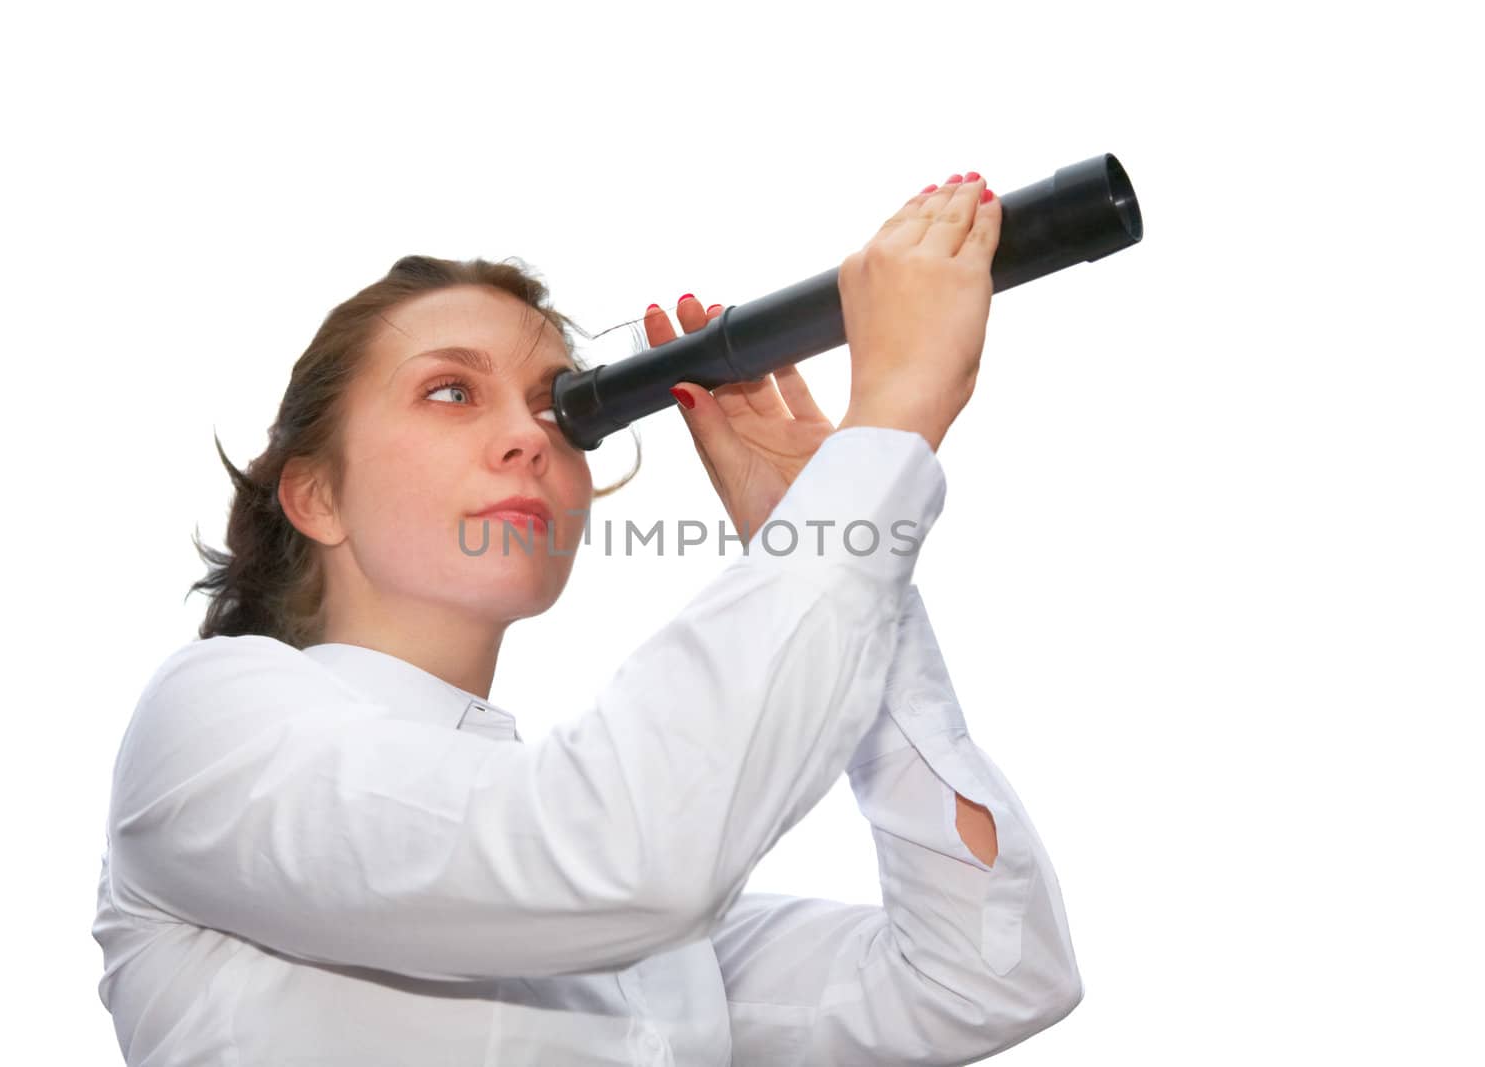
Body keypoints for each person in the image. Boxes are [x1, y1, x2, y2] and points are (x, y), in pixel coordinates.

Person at [92, 172, 1083, 1065]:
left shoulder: (656, 954)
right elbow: (612, 850)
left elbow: (984, 976)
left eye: (557, 407)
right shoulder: (208, 723)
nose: (527, 436)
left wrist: (846, 547)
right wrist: (884, 431)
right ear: (315, 496)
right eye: (450, 390)